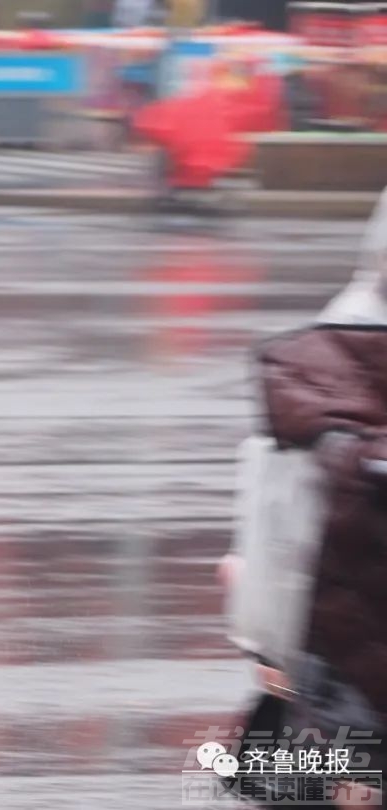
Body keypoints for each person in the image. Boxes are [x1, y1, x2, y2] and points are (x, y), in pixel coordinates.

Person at [242, 187, 387, 807]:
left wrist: (272, 658)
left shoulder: (311, 367)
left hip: (332, 670)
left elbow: (269, 538)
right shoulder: (320, 374)